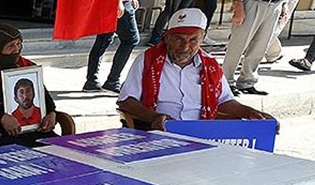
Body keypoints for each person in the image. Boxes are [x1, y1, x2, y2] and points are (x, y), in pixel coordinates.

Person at [118, 8, 275, 129]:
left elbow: (224, 101)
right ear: (167, 38)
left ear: (203, 38)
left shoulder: (211, 66)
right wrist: (154, 117)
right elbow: (126, 101)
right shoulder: (147, 60)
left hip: (201, 133)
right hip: (160, 132)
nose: (185, 47)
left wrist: (250, 112)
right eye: (179, 39)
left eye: (193, 40)